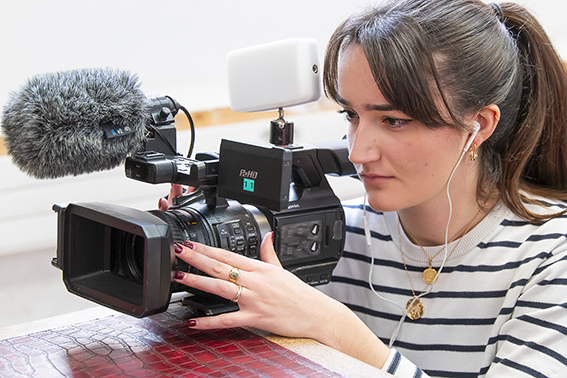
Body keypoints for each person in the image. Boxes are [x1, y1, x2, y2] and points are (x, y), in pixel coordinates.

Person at [159, 0, 567, 376]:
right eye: (351, 115)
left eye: (393, 120)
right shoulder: (328, 235)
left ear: (478, 125)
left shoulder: (552, 256)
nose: (357, 152)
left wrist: (331, 325)